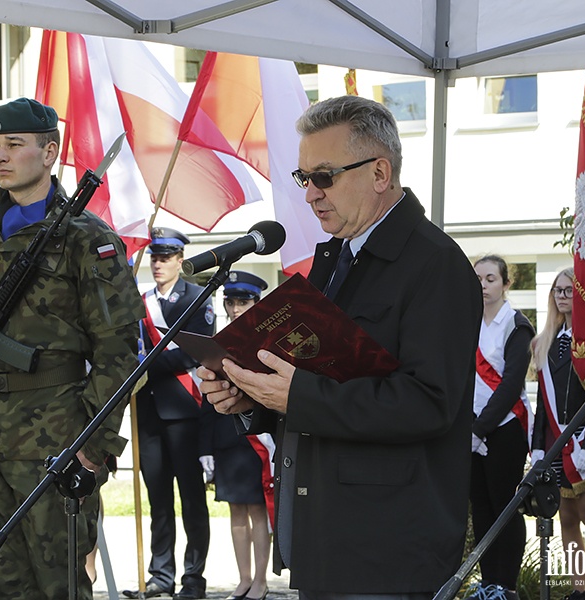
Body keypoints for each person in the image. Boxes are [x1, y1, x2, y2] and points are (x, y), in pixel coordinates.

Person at [198, 95, 483, 598]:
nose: (310, 194)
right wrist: (251, 397)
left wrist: (297, 396)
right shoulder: (336, 257)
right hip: (324, 535)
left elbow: (429, 402)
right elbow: (322, 377)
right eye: (303, 178)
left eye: (324, 176)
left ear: (379, 172)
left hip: (386, 547)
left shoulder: (434, 264)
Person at [0, 97, 144, 600]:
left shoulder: (88, 239)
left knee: (60, 586)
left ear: (49, 153)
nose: (1, 156)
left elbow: (121, 352)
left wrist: (93, 444)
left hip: (56, 440)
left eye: (14, 145)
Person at [123, 227, 214, 600]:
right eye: (155, 257)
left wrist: (145, 367)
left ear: (180, 260)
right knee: (157, 497)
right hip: (147, 411)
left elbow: (196, 352)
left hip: (183, 410)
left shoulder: (197, 297)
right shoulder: (138, 301)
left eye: (165, 257)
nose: (158, 264)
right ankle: (161, 575)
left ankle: (193, 578)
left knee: (192, 497)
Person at [530, 267, 585, 600]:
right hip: (555, 445)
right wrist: (537, 448)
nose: (562, 297)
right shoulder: (544, 340)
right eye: (558, 291)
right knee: (566, 518)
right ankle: (578, 587)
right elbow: (542, 401)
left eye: (569, 291)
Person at [199, 271, 272, 600]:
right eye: (231, 301)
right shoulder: (217, 340)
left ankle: (261, 581)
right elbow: (206, 397)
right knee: (235, 510)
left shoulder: (267, 341)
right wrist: (206, 448)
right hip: (226, 437)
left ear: (257, 303)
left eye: (243, 301)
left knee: (257, 510)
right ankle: (243, 579)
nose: (235, 308)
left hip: (255, 437)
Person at [467, 255, 534, 600]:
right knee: (480, 506)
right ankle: (488, 581)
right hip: (471, 429)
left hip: (504, 428)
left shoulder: (516, 325)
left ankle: (505, 585)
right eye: (477, 278)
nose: (483, 285)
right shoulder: (466, 321)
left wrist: (481, 429)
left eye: (490, 279)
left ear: (506, 283)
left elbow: (510, 385)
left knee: (504, 507)